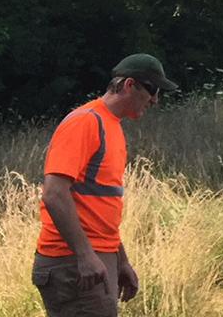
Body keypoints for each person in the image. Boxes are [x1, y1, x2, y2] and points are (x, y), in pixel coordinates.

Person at [33, 53, 178, 317]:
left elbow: (98, 208)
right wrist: (85, 256)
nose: (155, 100)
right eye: (153, 89)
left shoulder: (112, 127)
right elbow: (54, 194)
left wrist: (120, 260)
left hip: (94, 258)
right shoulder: (85, 121)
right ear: (129, 85)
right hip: (71, 263)